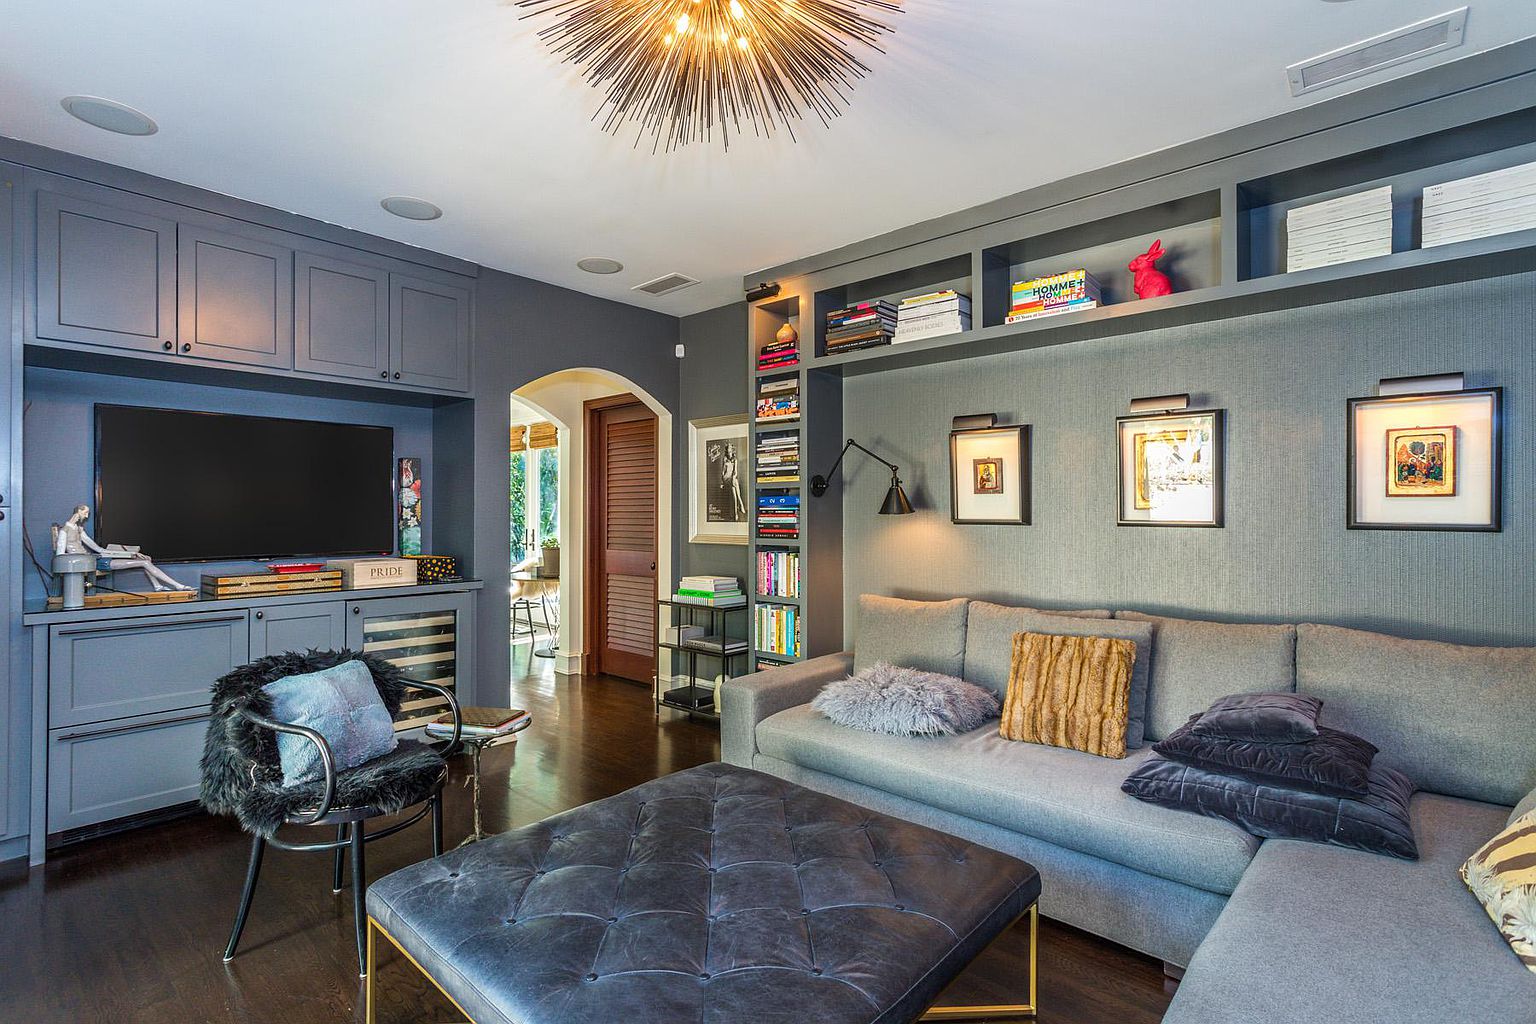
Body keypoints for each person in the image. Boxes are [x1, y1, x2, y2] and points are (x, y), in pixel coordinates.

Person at [51, 504, 192, 592]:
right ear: (78, 513)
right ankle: (177, 586)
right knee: (144, 562)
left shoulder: (80, 530)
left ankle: (158, 587)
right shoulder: (64, 531)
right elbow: (60, 556)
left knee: (145, 558)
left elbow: (100, 550)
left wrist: (131, 553)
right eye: (85, 512)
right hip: (89, 563)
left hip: (96, 558)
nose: (87, 515)